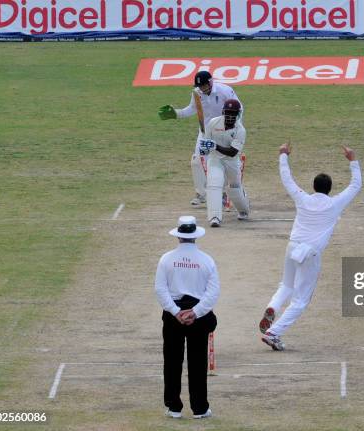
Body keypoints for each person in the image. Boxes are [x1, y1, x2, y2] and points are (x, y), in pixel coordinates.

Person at [259, 144, 362, 351]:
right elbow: (355, 185)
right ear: (329, 189)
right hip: (310, 253)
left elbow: (287, 179)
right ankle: (273, 332)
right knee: (300, 300)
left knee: (286, 285)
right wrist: (353, 160)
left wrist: (283, 155)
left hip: (292, 246)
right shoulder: (335, 204)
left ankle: (273, 307)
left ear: (313, 187)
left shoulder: (303, 198)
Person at [155, 216, 219, 419]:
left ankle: (174, 407)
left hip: (174, 316)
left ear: (179, 237)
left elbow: (160, 289)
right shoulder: (206, 260)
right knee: (197, 362)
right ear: (195, 237)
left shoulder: (166, 259)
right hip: (197, 316)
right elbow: (213, 292)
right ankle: (199, 408)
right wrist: (196, 313)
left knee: (172, 361)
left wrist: (175, 312)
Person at [158, 71, 243, 206]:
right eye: (199, 86)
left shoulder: (225, 90)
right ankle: (201, 194)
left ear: (210, 82)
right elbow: (192, 109)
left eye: (203, 85)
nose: (201, 88)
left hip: (224, 132)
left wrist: (234, 130)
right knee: (197, 161)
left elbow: (239, 109)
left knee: (223, 162)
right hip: (205, 132)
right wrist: (176, 113)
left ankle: (224, 194)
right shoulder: (197, 93)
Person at [199, 99, 250, 227]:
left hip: (231, 161)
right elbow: (206, 144)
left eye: (233, 113)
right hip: (215, 159)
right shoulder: (213, 123)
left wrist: (214, 146)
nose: (230, 116)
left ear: (238, 115)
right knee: (214, 184)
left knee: (234, 187)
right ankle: (214, 217)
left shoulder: (240, 130)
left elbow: (233, 152)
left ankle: (243, 210)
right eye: (227, 113)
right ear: (223, 112)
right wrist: (204, 148)